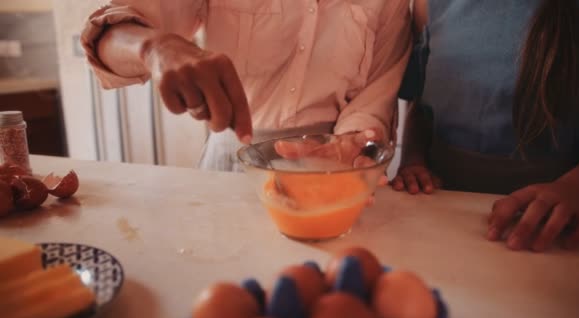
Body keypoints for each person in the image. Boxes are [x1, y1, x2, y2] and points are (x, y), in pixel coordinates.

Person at [80, 0, 413, 172]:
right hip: (228, 165)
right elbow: (111, 33)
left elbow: (375, 96)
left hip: (330, 172)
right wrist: (154, 48)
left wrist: (353, 144)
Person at [392, 0, 579, 252]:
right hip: (443, 217)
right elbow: (422, 98)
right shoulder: (426, 4)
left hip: (556, 231)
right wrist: (413, 159)